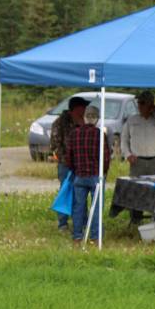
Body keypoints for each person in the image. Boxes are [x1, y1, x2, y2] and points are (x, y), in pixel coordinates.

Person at [120, 90, 155, 224]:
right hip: (138, 162)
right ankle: (135, 219)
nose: (140, 106)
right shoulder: (132, 120)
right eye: (139, 103)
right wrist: (127, 155)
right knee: (136, 191)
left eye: (143, 103)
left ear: (150, 104)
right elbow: (124, 140)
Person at [65, 104, 112, 244]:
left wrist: (75, 170)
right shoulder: (100, 134)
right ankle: (95, 236)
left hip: (79, 176)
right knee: (96, 207)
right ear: (96, 119)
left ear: (85, 118)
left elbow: (69, 157)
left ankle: (77, 236)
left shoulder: (74, 134)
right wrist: (103, 173)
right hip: (95, 176)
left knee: (78, 207)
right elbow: (105, 158)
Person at [49, 96, 89, 232]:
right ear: (76, 108)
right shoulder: (60, 123)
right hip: (66, 164)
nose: (85, 110)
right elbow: (54, 144)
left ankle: (83, 221)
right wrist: (65, 158)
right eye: (83, 107)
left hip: (82, 163)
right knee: (65, 190)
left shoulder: (84, 122)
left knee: (82, 192)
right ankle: (63, 223)